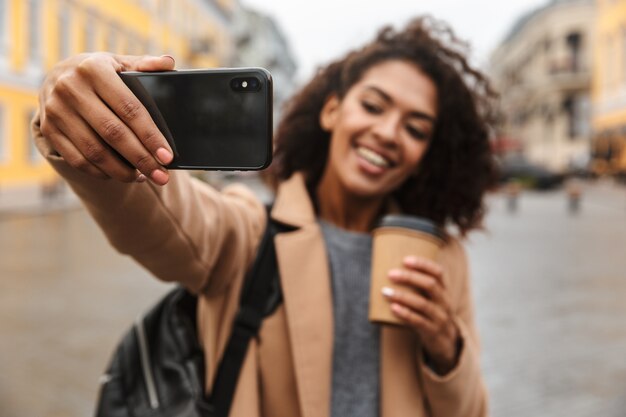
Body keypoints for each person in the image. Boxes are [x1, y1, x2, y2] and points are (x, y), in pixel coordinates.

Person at [33, 16, 497, 417]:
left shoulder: (441, 257)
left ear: (426, 153)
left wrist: (446, 349)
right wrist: (82, 118)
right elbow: (162, 220)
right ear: (332, 111)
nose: (389, 133)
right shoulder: (250, 230)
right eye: (373, 106)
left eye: (416, 128)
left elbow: (472, 410)